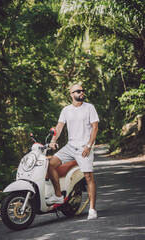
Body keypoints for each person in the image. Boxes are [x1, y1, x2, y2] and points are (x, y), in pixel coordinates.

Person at [47, 84, 99, 220]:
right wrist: (53, 140)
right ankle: (58, 196)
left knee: (88, 176)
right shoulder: (66, 110)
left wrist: (89, 145)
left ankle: (92, 209)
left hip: (84, 147)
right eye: (78, 91)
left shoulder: (89, 108)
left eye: (83, 90)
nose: (82, 93)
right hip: (70, 146)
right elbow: (59, 126)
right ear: (71, 94)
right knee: (50, 164)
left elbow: (95, 128)